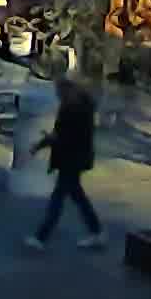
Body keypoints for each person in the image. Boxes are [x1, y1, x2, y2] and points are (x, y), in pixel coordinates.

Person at [28, 78, 104, 251]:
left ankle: (41, 237)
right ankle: (96, 232)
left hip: (70, 158)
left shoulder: (70, 108)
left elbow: (61, 135)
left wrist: (41, 144)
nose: (57, 95)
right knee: (77, 196)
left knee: (58, 198)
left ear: (65, 90)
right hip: (78, 157)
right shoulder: (84, 105)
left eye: (58, 91)